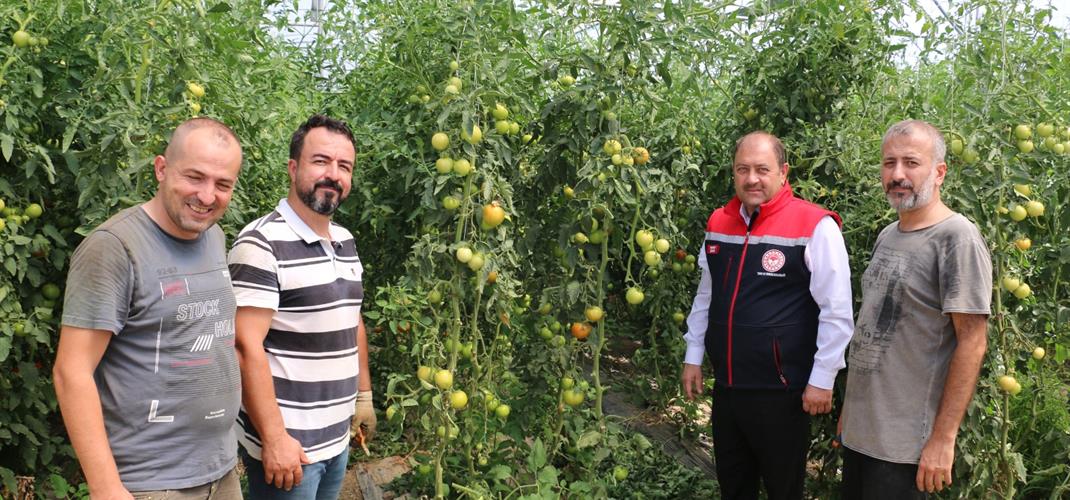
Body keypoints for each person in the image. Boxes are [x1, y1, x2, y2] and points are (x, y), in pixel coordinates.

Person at [53, 117, 244, 499]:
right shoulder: (114, 247)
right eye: (195, 177)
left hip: (220, 473)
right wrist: (106, 487)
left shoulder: (214, 237)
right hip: (150, 484)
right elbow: (71, 371)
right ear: (161, 168)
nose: (207, 196)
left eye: (222, 184)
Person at [680, 131, 855, 499]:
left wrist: (822, 378)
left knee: (783, 489)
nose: (751, 178)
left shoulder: (814, 226)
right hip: (728, 387)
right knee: (734, 485)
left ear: (783, 172)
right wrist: (693, 357)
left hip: (782, 392)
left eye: (762, 169)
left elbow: (836, 310)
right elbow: (706, 296)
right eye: (742, 169)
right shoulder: (719, 222)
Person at [839, 120, 991, 499]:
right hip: (862, 433)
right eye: (889, 163)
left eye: (911, 163)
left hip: (906, 445)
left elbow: (972, 343)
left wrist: (943, 438)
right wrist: (850, 412)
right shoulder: (888, 235)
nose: (897, 174)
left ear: (939, 172)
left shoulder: (957, 239)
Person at [228, 114, 373, 499]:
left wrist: (364, 397)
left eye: (344, 166)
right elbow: (243, 347)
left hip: (337, 438)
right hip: (291, 451)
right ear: (294, 168)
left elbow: (351, 319)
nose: (333, 174)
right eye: (321, 161)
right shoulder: (260, 243)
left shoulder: (345, 240)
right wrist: (274, 438)